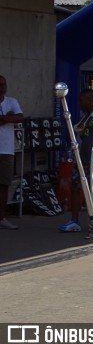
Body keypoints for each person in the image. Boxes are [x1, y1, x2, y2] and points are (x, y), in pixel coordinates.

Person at [59, 89, 93, 233]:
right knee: (76, 187)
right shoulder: (87, 115)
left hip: (92, 158)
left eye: (82, 100)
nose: (79, 103)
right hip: (82, 156)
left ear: (92, 100)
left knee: (89, 189)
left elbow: (92, 134)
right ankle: (74, 220)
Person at [0, 75, 24, 230]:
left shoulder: (11, 102)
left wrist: (4, 118)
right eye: (0, 84)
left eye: (4, 84)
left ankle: (2, 217)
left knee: (3, 185)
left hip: (6, 149)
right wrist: (8, 117)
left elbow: (20, 117)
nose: (2, 86)